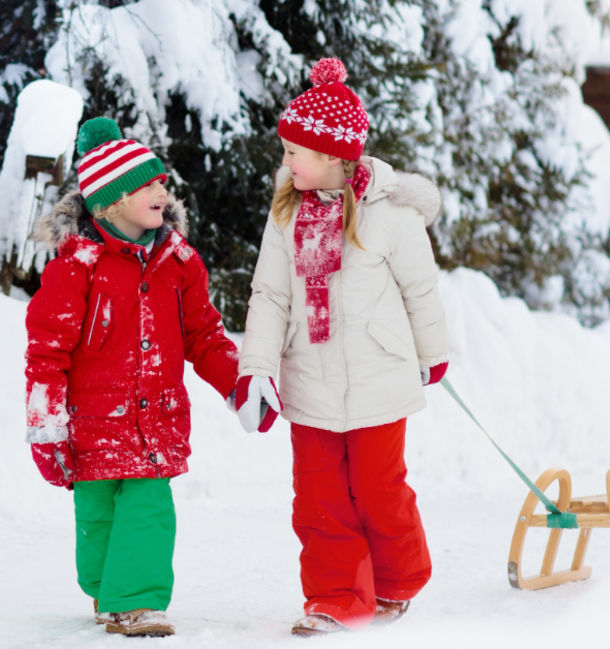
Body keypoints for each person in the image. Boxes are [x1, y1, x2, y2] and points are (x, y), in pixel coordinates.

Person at [232, 58, 451, 636]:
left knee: (380, 490)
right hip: (309, 377)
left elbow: (420, 289)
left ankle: (398, 580)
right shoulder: (285, 214)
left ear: (331, 155)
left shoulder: (391, 214)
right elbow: (270, 296)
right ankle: (334, 597)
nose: (285, 163)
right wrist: (256, 368)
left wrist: (434, 351)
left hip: (379, 375)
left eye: (292, 153)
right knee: (320, 498)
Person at [24, 117, 239, 638]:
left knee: (147, 509)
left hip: (155, 419)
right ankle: (107, 591)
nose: (162, 191)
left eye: (161, 181)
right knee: (97, 515)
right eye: (148, 184)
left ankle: (138, 602)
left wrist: (238, 383)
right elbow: (46, 351)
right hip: (91, 421)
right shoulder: (76, 266)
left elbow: (204, 335)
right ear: (113, 200)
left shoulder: (179, 262)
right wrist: (46, 425)